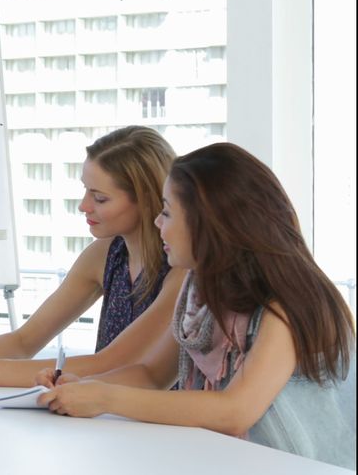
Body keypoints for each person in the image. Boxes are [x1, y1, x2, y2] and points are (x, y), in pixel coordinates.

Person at [39, 143, 355, 469]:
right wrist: (86, 388)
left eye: (167, 212)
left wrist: (105, 399)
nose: (158, 223)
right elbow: (151, 374)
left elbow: (235, 412)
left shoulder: (285, 304)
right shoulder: (200, 287)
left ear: (210, 222)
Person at [0, 126, 187, 388]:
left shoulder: (182, 270)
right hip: (109, 420)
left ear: (148, 199)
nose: (83, 206)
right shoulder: (105, 254)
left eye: (100, 198)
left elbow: (110, 363)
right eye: (85, 190)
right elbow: (24, 341)